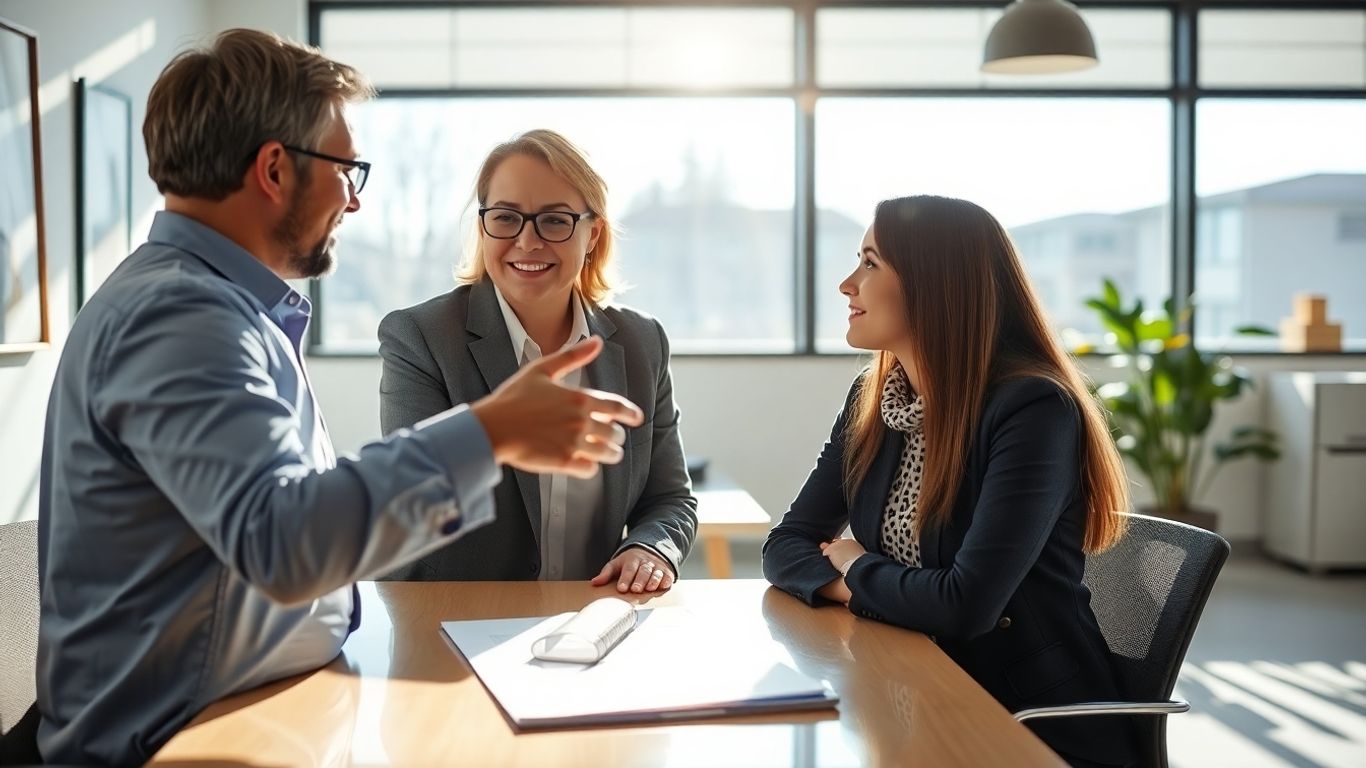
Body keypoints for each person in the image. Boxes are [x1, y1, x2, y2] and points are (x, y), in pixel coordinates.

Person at [32, 30, 643, 767]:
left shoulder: (224, 310)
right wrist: (489, 433)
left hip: (263, 709)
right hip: (179, 741)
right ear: (274, 169)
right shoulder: (181, 317)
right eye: (347, 169)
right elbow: (284, 541)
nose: (354, 201)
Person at [762, 195, 1139, 768]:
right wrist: (851, 582)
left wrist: (857, 566)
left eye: (870, 263)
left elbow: (965, 607)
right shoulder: (875, 400)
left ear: (934, 285)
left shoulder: (1032, 409)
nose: (847, 284)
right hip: (907, 679)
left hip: (1020, 717)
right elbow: (784, 546)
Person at [378, 129, 696, 592]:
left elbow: (669, 499)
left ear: (593, 234)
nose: (527, 241)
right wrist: (500, 428)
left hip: (581, 625)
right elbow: (414, 501)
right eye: (505, 218)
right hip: (449, 618)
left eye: (553, 221)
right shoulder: (420, 337)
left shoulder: (642, 341)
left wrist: (650, 548)